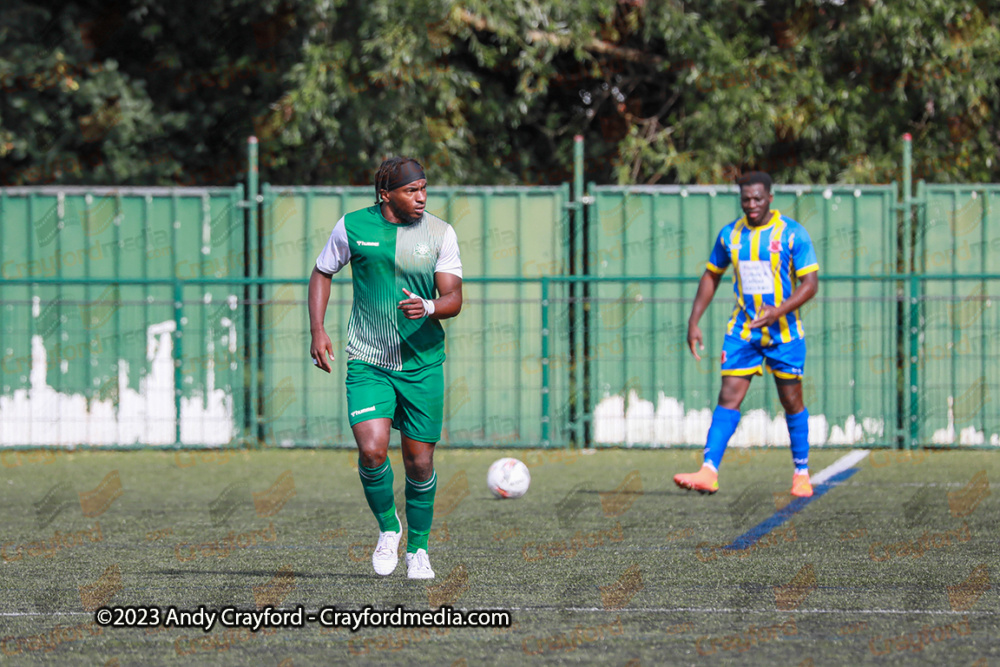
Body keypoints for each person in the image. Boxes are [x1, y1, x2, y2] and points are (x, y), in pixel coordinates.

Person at [308, 157, 463, 579]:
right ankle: (388, 529)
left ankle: (418, 550)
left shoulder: (440, 233)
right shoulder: (352, 227)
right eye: (412, 190)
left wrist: (431, 305)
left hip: (422, 364)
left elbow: (454, 297)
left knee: (419, 464)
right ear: (385, 194)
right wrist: (318, 330)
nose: (422, 198)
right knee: (373, 449)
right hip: (367, 360)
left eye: (424, 188)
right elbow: (322, 272)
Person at [674, 171, 819, 497]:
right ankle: (708, 471)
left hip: (784, 332)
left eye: (757, 198)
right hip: (743, 331)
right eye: (746, 199)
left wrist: (778, 311)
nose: (751, 204)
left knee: (791, 400)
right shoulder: (730, 236)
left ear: (769, 197)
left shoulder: (793, 234)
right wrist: (694, 320)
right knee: (729, 395)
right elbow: (711, 275)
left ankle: (801, 472)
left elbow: (810, 285)